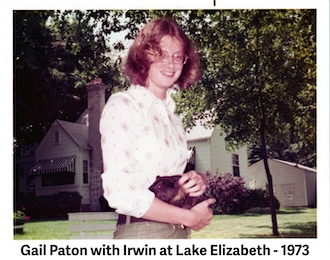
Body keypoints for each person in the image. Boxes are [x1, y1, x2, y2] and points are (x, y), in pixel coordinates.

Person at [100, 17, 215, 239]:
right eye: (160, 54)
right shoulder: (124, 105)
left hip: (181, 232)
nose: (169, 64)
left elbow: (167, 183)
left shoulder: (173, 119)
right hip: (142, 234)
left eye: (177, 57)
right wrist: (188, 217)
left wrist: (194, 181)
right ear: (143, 56)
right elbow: (119, 192)